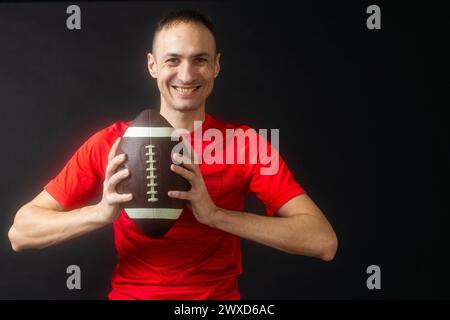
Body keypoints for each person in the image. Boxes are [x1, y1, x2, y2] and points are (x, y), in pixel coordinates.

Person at [8, 9, 337, 300]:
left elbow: (322, 241)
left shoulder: (245, 144)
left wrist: (215, 215)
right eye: (173, 59)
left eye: (200, 60)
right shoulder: (112, 142)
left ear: (216, 66)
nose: (186, 74)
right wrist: (101, 213)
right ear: (152, 65)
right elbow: (20, 233)